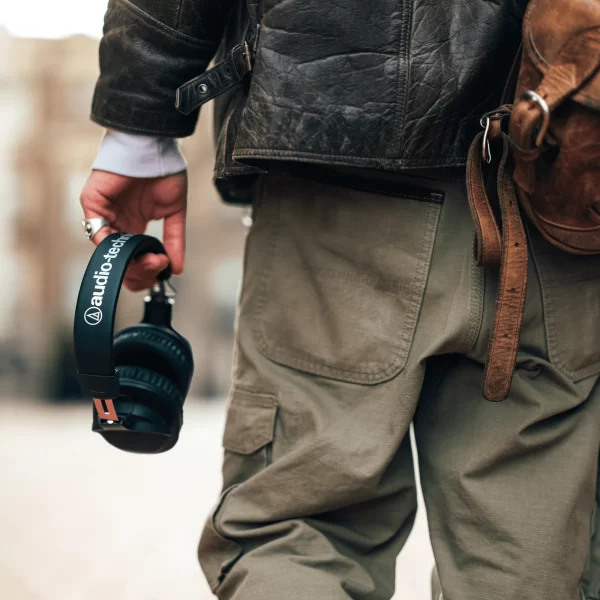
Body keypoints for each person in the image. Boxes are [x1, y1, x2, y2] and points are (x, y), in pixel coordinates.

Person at [79, 0, 600, 598]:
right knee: (533, 560)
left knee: (301, 535)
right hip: (561, 179)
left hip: (342, 158)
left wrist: (139, 131)